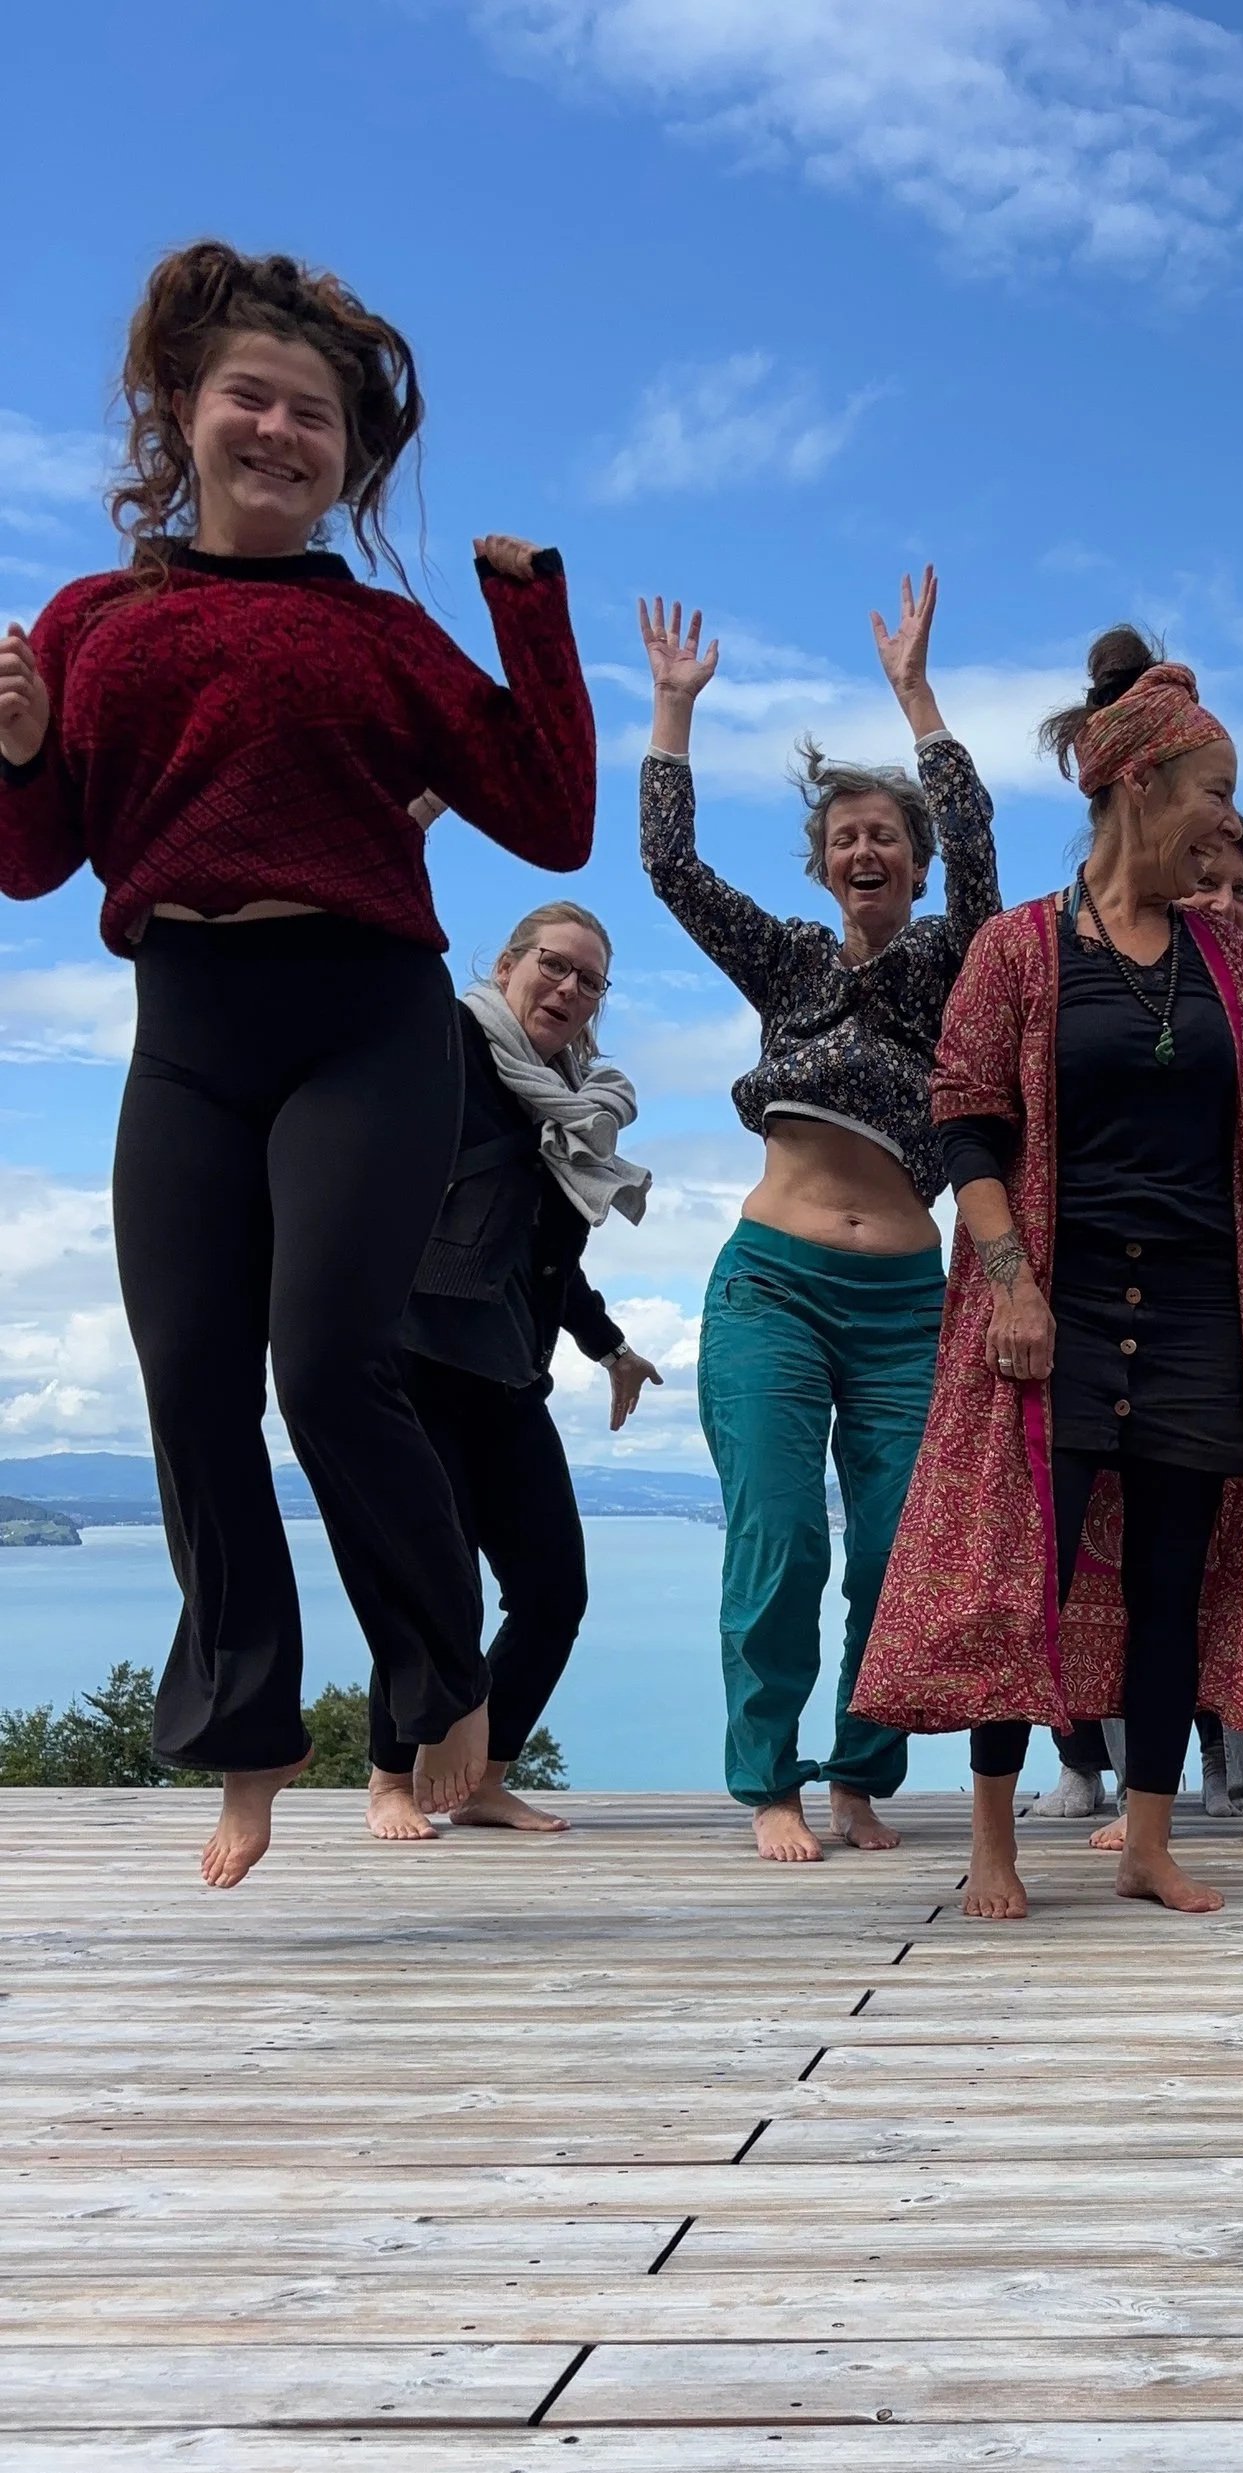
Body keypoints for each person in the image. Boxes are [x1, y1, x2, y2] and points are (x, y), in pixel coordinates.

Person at [0, 240, 594, 1888]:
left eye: (314, 415)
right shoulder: (93, 620)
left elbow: (550, 814)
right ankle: (249, 1735)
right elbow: (33, 863)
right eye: (248, 398)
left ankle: (442, 1679)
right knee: (191, 1378)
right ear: (184, 411)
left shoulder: (383, 635)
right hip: (186, 1026)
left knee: (329, 1359)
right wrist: (21, 748)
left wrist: (529, 613)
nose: (277, 430)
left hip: (363, 1018)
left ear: (349, 460)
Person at [853, 628, 1243, 1920]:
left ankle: (1148, 1842)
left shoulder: (1224, 955)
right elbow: (966, 1123)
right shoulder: (1018, 949)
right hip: (1059, 1302)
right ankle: (993, 1841)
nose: (1228, 819)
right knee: (1026, 1572)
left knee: (1171, 1575)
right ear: (1137, 785)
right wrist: (1011, 1284)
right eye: (1214, 791)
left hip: (1201, 1305)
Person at [639, 569, 998, 1863]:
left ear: (915, 860)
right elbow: (671, 866)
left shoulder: (952, 958)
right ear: (823, 861)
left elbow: (982, 848)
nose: (864, 851)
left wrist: (917, 698)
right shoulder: (785, 960)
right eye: (845, 836)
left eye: (885, 835)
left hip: (904, 1302)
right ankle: (768, 1778)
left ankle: (861, 1771)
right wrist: (675, 710)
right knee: (781, 1537)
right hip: (773, 1287)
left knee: (898, 1550)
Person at [364, 901, 661, 1843]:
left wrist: (610, 1346)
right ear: (506, 966)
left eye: (590, 980)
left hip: (506, 1380)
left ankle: (484, 1779)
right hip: (415, 1360)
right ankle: (389, 1778)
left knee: (554, 1592)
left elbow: (544, 1262)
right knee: (431, 1579)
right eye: (554, 965)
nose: (569, 987)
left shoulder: (572, 1102)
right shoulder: (446, 1046)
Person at [1066, 819, 1243, 1845]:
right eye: (1203, 882)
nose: (1222, 903)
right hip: (1124, 1322)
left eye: (1240, 891)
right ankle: (1146, 1794)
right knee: (1122, 1566)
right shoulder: (1107, 1007)